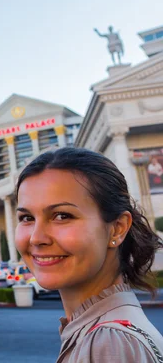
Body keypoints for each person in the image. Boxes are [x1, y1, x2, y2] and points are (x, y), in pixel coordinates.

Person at [14, 147, 163, 362]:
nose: (36, 238)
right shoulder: (114, 327)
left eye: (62, 215)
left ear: (118, 228)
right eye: (27, 218)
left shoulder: (108, 342)